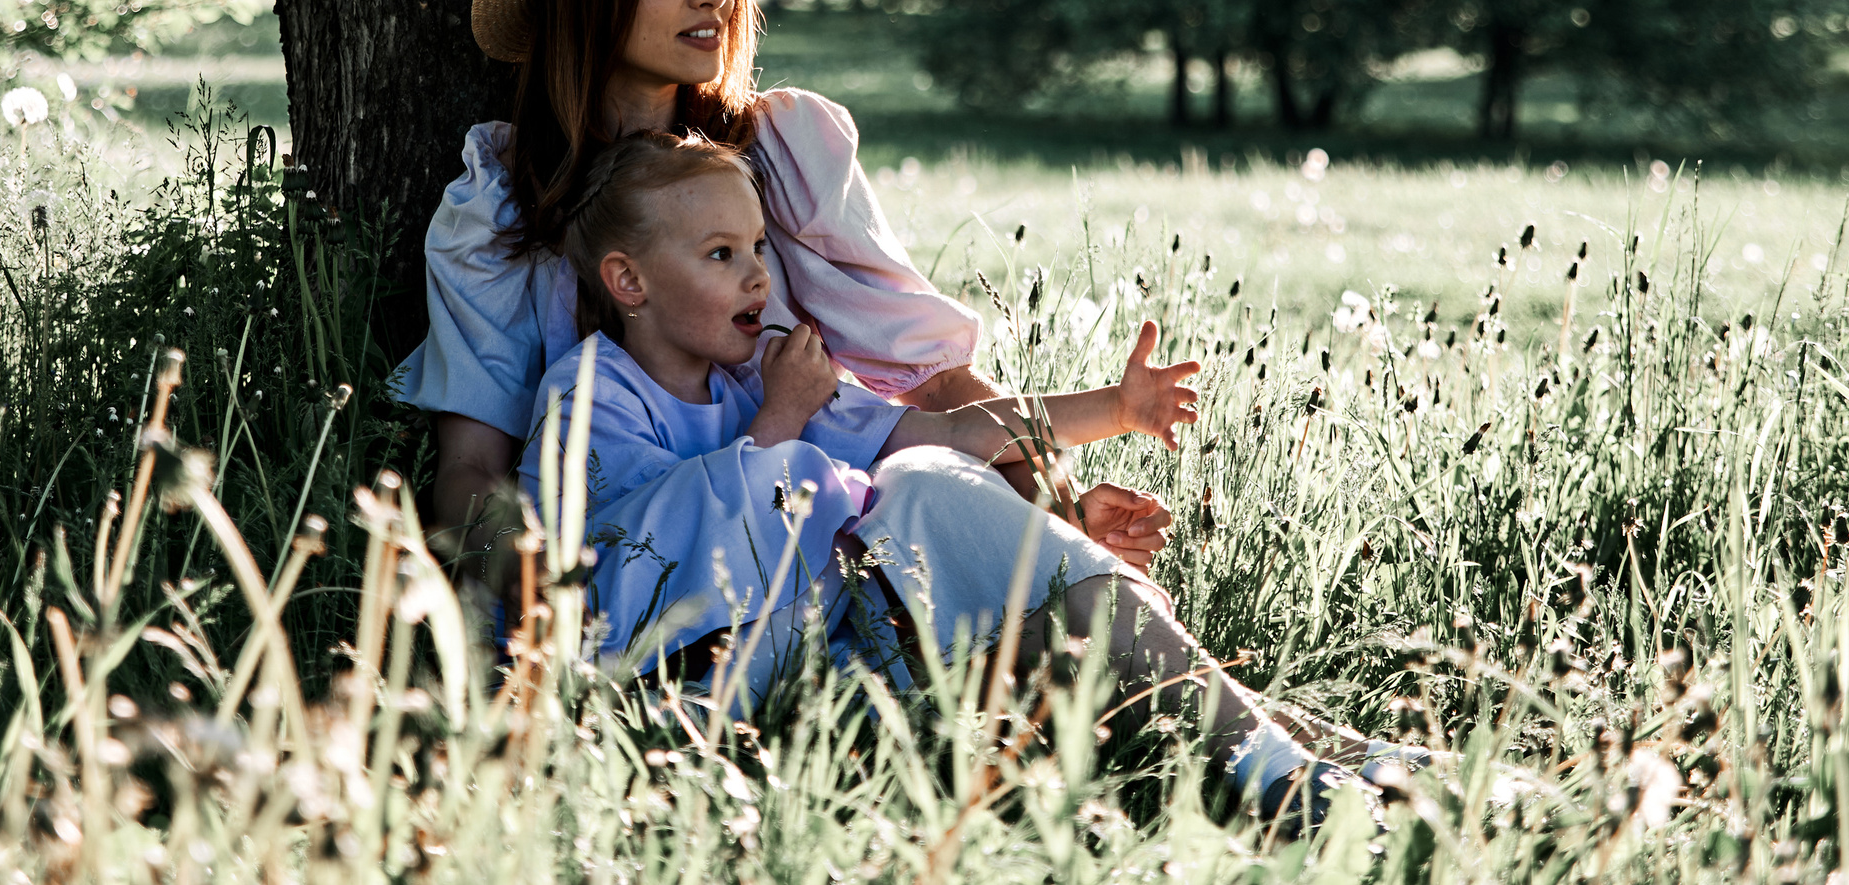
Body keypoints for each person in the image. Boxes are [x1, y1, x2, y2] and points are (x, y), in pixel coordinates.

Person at [394, 0, 1173, 576]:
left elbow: (936, 383)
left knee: (934, 495)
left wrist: (1059, 512)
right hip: (623, 567)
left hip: (817, 545)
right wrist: (550, 595)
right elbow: (471, 466)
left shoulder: (782, 153)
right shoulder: (501, 202)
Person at [529, 128, 1377, 823]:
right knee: (1025, 593)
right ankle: (1291, 764)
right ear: (628, 280)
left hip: (864, 642)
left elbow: (950, 431)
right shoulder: (595, 394)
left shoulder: (757, 374)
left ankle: (1314, 759)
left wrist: (1114, 406)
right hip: (731, 693)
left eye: (757, 245)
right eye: (721, 253)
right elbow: (641, 568)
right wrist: (783, 419)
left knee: (939, 482)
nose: (757, 272)